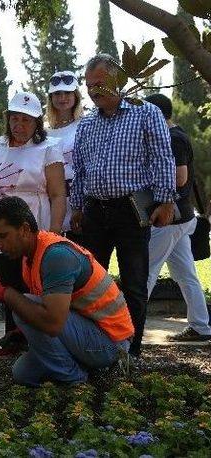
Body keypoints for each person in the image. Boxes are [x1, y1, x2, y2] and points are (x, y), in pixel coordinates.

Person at [70, 54, 176, 356]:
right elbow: (80, 169)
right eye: (89, 86)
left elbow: (162, 158)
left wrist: (166, 200)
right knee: (90, 283)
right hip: (94, 211)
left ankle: (131, 352)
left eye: (99, 84)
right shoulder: (87, 122)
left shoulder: (147, 113)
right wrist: (77, 207)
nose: (92, 91)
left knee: (134, 284)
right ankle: (95, 348)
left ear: (119, 81)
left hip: (131, 212)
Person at [0, 196, 134, 386]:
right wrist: (21, 334)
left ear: (24, 229)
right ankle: (81, 369)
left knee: (24, 306)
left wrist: (8, 295)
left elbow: (53, 323)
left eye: (2, 236)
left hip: (111, 344)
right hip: (87, 336)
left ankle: (74, 381)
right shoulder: (30, 256)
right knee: (22, 373)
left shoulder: (56, 256)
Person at [0, 92, 66, 357]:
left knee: (32, 288)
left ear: (37, 123)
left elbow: (57, 194)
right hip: (0, 231)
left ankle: (37, 343)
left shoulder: (49, 148)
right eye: (15, 119)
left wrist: (53, 234)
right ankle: (12, 339)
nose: (19, 125)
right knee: (8, 286)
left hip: (34, 230)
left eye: (26, 120)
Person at [143, 93, 211, 342]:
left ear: (157, 115)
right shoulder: (177, 135)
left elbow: (179, 178)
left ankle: (128, 330)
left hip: (170, 218)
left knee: (144, 272)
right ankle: (201, 327)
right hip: (182, 218)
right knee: (186, 275)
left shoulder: (173, 139)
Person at [45, 70, 84, 239]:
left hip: (78, 200)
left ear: (76, 96)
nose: (62, 98)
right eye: (57, 94)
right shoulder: (43, 132)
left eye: (67, 93)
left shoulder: (85, 126)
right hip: (49, 201)